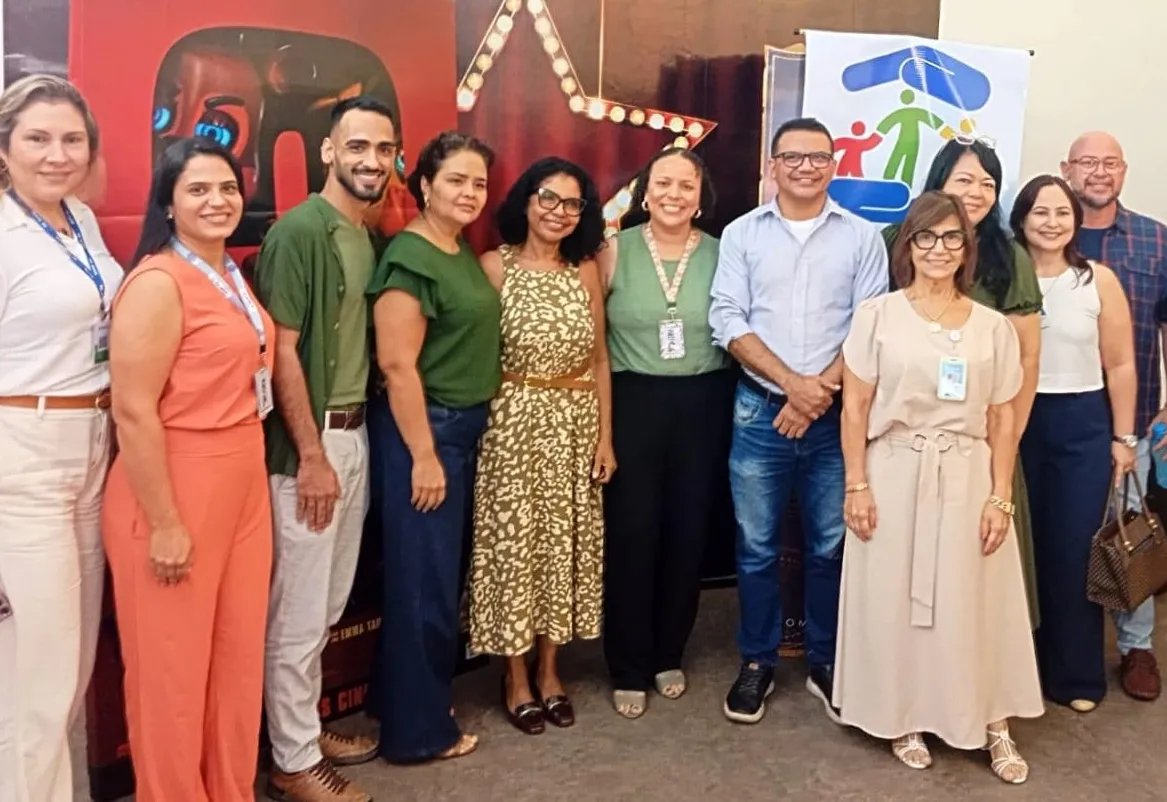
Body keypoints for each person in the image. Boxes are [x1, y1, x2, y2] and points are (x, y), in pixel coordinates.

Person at [835, 190, 1044, 783]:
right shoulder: (876, 316)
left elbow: (1003, 417)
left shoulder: (993, 327)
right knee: (898, 600)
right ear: (908, 245)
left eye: (952, 237)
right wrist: (857, 485)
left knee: (974, 597)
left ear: (966, 248)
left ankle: (992, 720)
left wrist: (1000, 494)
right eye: (925, 237)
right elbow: (855, 408)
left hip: (968, 472)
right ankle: (905, 715)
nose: (938, 248)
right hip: (895, 470)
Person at [102, 139, 274, 801]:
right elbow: (134, 410)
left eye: (227, 188)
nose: (216, 201)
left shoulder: (228, 272)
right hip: (174, 484)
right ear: (168, 203)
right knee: (170, 676)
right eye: (197, 189)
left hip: (242, 480)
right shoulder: (156, 282)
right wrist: (166, 521)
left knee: (234, 665)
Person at [709, 117, 887, 725]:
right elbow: (726, 317)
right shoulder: (741, 235)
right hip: (760, 409)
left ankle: (825, 659)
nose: (806, 167)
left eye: (818, 157)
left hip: (838, 416)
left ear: (834, 164)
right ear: (773, 165)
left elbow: (870, 326)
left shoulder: (864, 238)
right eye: (793, 157)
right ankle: (757, 661)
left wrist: (818, 394)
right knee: (755, 546)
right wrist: (793, 387)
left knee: (830, 545)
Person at [253, 95, 398, 802]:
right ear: (327, 152)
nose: (372, 160)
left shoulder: (362, 233)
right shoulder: (300, 232)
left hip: (354, 436)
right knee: (299, 610)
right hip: (309, 452)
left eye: (383, 148)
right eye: (358, 146)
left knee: (329, 602)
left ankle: (302, 727)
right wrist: (310, 455)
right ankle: (291, 761)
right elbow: (280, 350)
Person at [0, 74, 122, 802]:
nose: (57, 154)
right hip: (24, 452)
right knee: (45, 674)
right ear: (4, 149)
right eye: (37, 139)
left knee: (62, 668)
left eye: (71, 138)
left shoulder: (79, 217)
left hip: (92, 446)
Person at [467, 156, 612, 734]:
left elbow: (601, 359)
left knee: (563, 547)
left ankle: (551, 669)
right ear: (525, 201)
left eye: (572, 204)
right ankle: (515, 674)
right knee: (513, 549)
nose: (558, 212)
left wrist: (606, 436)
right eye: (547, 198)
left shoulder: (585, 272)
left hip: (575, 424)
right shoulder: (492, 268)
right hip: (512, 425)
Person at [368, 131, 499, 762]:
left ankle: (409, 704)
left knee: (435, 580)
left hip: (460, 429)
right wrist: (423, 455)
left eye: (478, 183)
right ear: (424, 185)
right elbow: (397, 365)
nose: (469, 193)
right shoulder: (411, 256)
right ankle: (418, 735)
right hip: (429, 434)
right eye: (456, 180)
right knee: (424, 586)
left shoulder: (456, 249)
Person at [884, 139, 1042, 627]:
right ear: (938, 183)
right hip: (902, 440)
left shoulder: (1007, 256)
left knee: (976, 559)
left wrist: (1008, 437)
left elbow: (1028, 354)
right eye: (965, 180)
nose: (977, 192)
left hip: (981, 437)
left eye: (988, 183)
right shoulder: (893, 239)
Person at [599, 147, 732, 719]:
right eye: (664, 183)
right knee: (632, 532)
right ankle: (628, 663)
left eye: (687, 185)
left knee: (687, 531)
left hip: (703, 402)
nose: (675, 194)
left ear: (701, 196)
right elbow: (592, 339)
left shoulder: (725, 254)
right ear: (644, 191)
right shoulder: (612, 250)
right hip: (633, 400)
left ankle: (667, 653)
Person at [1009, 174, 1137, 713]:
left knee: (1070, 550)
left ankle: (1076, 675)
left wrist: (1123, 436)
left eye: (1062, 213)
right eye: (1041, 212)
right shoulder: (1000, 277)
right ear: (1020, 219)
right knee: (1017, 551)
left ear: (1075, 221)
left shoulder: (1097, 280)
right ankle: (1016, 672)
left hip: (1082, 422)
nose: (1052, 222)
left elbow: (1121, 362)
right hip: (1014, 420)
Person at [1062, 131, 1165, 702]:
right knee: (1061, 532)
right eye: (1086, 163)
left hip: (1137, 421)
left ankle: (1136, 647)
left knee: (1130, 533)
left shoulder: (1155, 239)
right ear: (1066, 169)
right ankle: (1052, 638)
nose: (1098, 173)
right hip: (1057, 421)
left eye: (1109, 163)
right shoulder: (1043, 233)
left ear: (1123, 171)